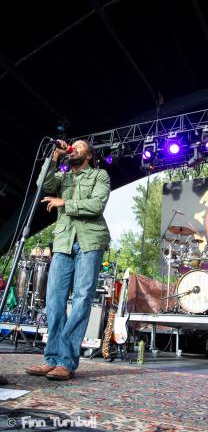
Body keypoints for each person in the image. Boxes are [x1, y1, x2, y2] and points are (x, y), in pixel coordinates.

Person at [26, 140, 110, 380]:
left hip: (90, 242)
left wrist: (66, 203)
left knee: (82, 299)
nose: (74, 147)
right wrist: (54, 156)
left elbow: (97, 204)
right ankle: (50, 359)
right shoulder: (64, 178)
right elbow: (43, 183)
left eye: (80, 146)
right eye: (72, 145)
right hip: (63, 243)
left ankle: (66, 361)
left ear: (90, 155)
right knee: (54, 300)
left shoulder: (99, 175)